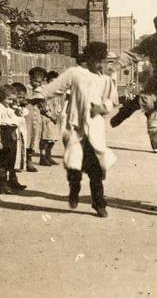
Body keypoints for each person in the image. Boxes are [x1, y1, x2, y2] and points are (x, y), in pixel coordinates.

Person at [32, 42, 118, 218]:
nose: (101, 65)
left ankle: (99, 203)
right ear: (89, 59)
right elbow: (53, 88)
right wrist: (36, 96)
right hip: (75, 128)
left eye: (104, 61)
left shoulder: (106, 79)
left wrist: (102, 108)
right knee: (74, 166)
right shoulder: (75, 73)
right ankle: (74, 189)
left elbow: (111, 101)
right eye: (98, 61)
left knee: (96, 169)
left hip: (94, 130)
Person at [0, 84, 26, 194]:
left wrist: (19, 111)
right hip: (3, 134)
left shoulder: (11, 108)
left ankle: (10, 181)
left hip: (12, 134)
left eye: (13, 99)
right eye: (9, 99)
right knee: (3, 159)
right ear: (1, 97)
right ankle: (2, 184)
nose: (11, 101)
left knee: (11, 159)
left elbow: (20, 116)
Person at [25, 67, 47, 172]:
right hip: (26, 117)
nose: (37, 84)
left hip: (36, 117)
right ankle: (24, 160)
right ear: (30, 78)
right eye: (35, 81)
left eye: (40, 81)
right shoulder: (26, 88)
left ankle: (30, 160)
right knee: (26, 137)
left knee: (34, 137)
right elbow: (23, 100)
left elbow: (43, 104)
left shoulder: (41, 89)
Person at [39, 70, 62, 166]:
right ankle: (42, 157)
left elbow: (58, 104)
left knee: (53, 138)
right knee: (45, 138)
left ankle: (48, 155)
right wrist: (50, 116)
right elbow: (44, 106)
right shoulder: (45, 92)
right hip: (47, 118)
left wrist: (57, 114)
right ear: (47, 81)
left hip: (55, 118)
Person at [11, 82, 29, 172]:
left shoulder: (22, 107)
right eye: (19, 97)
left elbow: (25, 112)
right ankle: (13, 165)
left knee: (21, 146)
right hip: (15, 130)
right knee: (15, 148)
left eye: (23, 98)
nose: (21, 100)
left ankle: (19, 165)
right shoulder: (11, 107)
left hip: (22, 130)